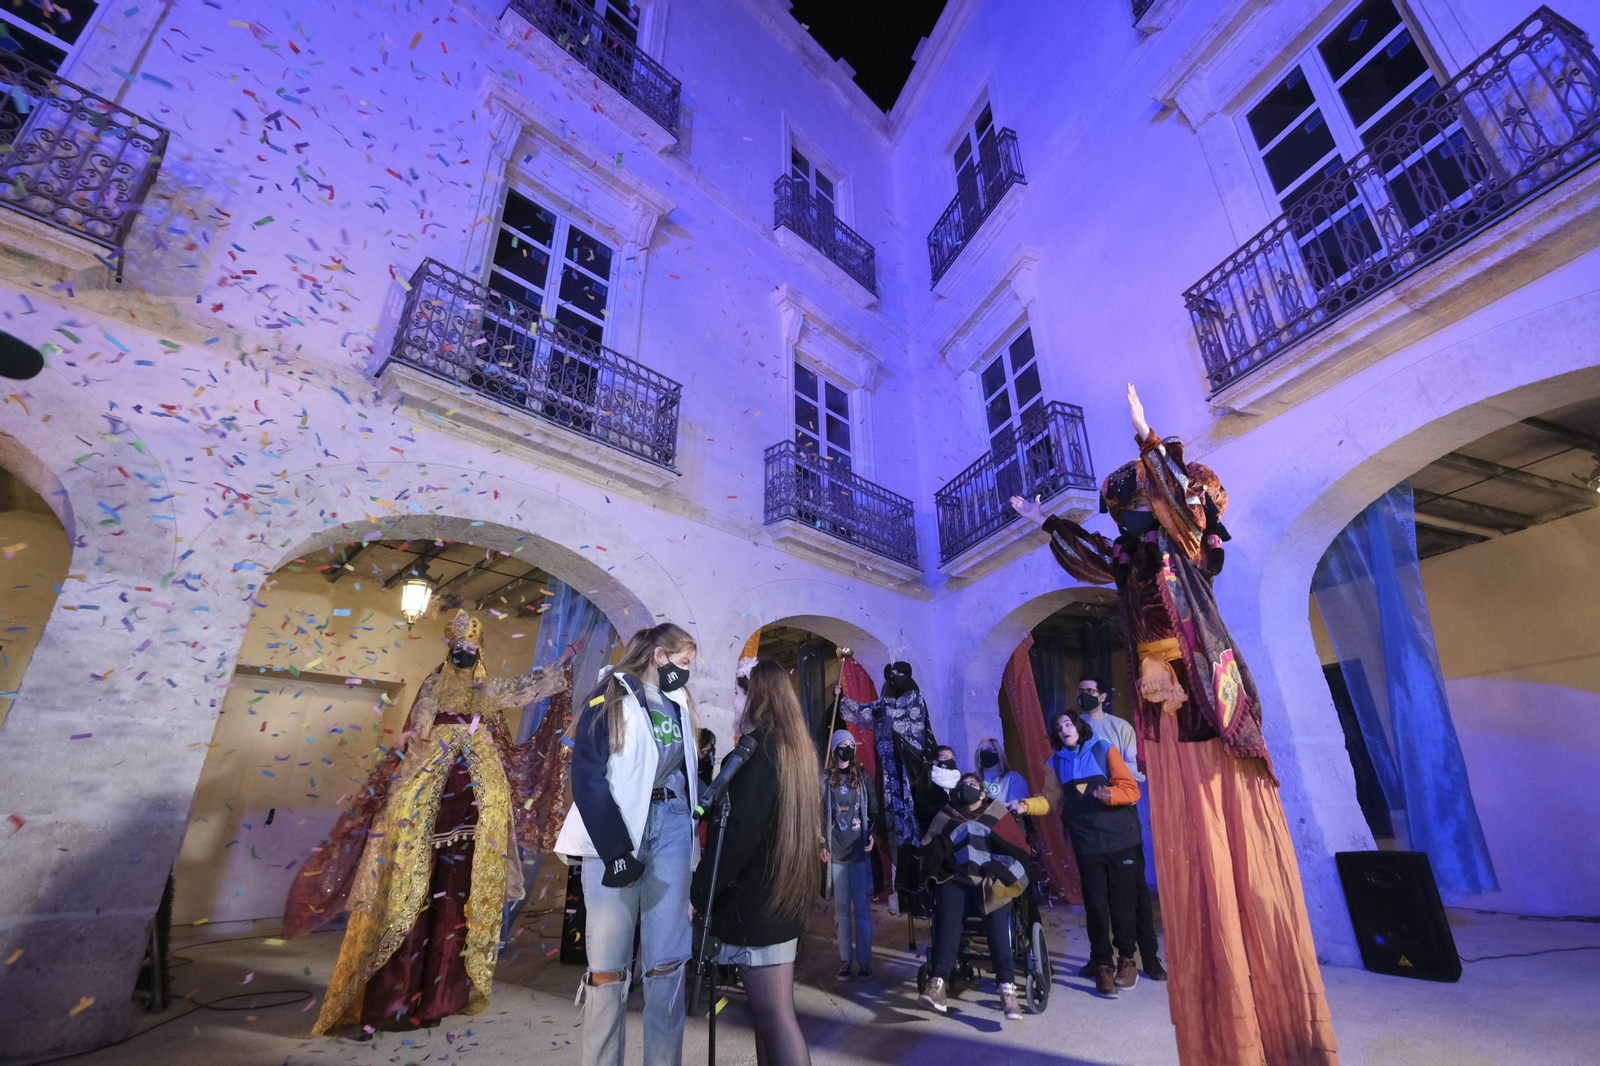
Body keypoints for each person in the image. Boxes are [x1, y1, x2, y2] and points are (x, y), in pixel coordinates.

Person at [1011, 383, 1338, 1065]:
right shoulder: (1133, 560)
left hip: (1202, 696)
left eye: (1134, 508)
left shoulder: (1181, 551)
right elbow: (1096, 556)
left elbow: (1179, 513)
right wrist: (1048, 523)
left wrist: (1149, 441)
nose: (1127, 519)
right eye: (1124, 510)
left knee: (1230, 841)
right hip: (1164, 707)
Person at [287, 609, 576, 1035]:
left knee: (456, 904)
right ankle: (394, 998)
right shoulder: (433, 684)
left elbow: (528, 687)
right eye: (456, 649)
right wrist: (411, 734)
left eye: (470, 649)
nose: (463, 654)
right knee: (411, 898)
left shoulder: (489, 689)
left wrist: (567, 660)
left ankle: (443, 995)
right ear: (448, 650)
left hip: (476, 810)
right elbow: (422, 713)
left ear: (480, 651)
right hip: (428, 797)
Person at [553, 623, 700, 1066]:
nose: (687, 673)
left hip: (673, 827)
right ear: (659, 655)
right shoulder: (609, 695)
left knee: (667, 964)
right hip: (616, 834)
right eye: (684, 662)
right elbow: (587, 775)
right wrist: (617, 850)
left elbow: (685, 776)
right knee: (608, 967)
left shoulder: (680, 703)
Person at [692, 659, 823, 1066]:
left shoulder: (762, 751)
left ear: (756, 697)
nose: (732, 701)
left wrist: (699, 892)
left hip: (759, 904)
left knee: (776, 1018)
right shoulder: (790, 748)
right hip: (778, 896)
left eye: (737, 692)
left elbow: (738, 837)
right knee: (769, 1020)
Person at [1012, 711, 1142, 999]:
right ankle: (1103, 965)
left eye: (1068, 723)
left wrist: (1110, 795)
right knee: (1095, 906)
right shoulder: (1054, 763)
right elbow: (1050, 800)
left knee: (1122, 902)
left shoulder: (1104, 748)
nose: (1064, 730)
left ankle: (1127, 960)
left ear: (1078, 726)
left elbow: (1131, 790)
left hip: (1119, 838)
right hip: (1087, 843)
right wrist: (1025, 806)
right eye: (1058, 728)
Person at [917, 772, 1030, 1021]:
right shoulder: (947, 815)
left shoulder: (997, 813)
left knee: (998, 917)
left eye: (973, 784)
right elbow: (929, 846)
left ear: (982, 793)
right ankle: (937, 984)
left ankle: (1007, 989)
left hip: (991, 877)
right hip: (956, 876)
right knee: (948, 918)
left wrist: (996, 869)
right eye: (963, 785)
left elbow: (1018, 848)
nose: (967, 788)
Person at [1075, 678, 1165, 981]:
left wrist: (1107, 780)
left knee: (1135, 892)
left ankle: (1148, 958)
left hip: (1120, 817)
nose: (1085, 695)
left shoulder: (1119, 727)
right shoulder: (1072, 728)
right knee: (1096, 897)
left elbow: (1136, 770)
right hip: (1089, 823)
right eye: (1081, 691)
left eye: (1090, 691)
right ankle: (1099, 959)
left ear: (1102, 695)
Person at [837, 662, 934, 914]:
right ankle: (904, 894)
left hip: (911, 779)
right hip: (890, 780)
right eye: (891, 676)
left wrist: (889, 719)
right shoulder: (882, 703)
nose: (894, 679)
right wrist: (842, 699)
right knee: (897, 836)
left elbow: (910, 724)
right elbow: (861, 712)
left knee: (916, 835)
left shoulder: (915, 700)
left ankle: (923, 895)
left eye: (899, 675)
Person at [821, 729, 878, 981]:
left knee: (863, 908)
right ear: (835, 749)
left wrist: (873, 833)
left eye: (850, 744)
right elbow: (819, 814)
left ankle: (864, 960)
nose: (847, 747)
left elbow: (874, 809)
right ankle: (846, 959)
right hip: (836, 853)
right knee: (841, 909)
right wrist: (821, 841)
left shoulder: (862, 776)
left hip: (859, 852)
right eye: (842, 744)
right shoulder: (825, 779)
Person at [973, 737, 1029, 805]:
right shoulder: (973, 779)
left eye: (991, 750)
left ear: (998, 753)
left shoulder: (1012, 778)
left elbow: (1015, 805)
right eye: (984, 751)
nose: (987, 753)